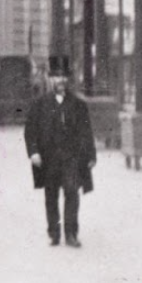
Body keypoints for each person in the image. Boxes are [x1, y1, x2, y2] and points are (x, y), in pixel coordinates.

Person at [23, 63, 96, 247]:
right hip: (48, 158)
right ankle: (54, 233)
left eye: (63, 77)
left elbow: (87, 131)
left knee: (72, 192)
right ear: (50, 79)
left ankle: (71, 233)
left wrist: (91, 155)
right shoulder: (40, 104)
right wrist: (33, 152)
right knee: (51, 195)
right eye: (56, 77)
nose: (60, 81)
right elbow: (30, 131)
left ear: (68, 80)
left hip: (71, 157)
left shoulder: (79, 105)